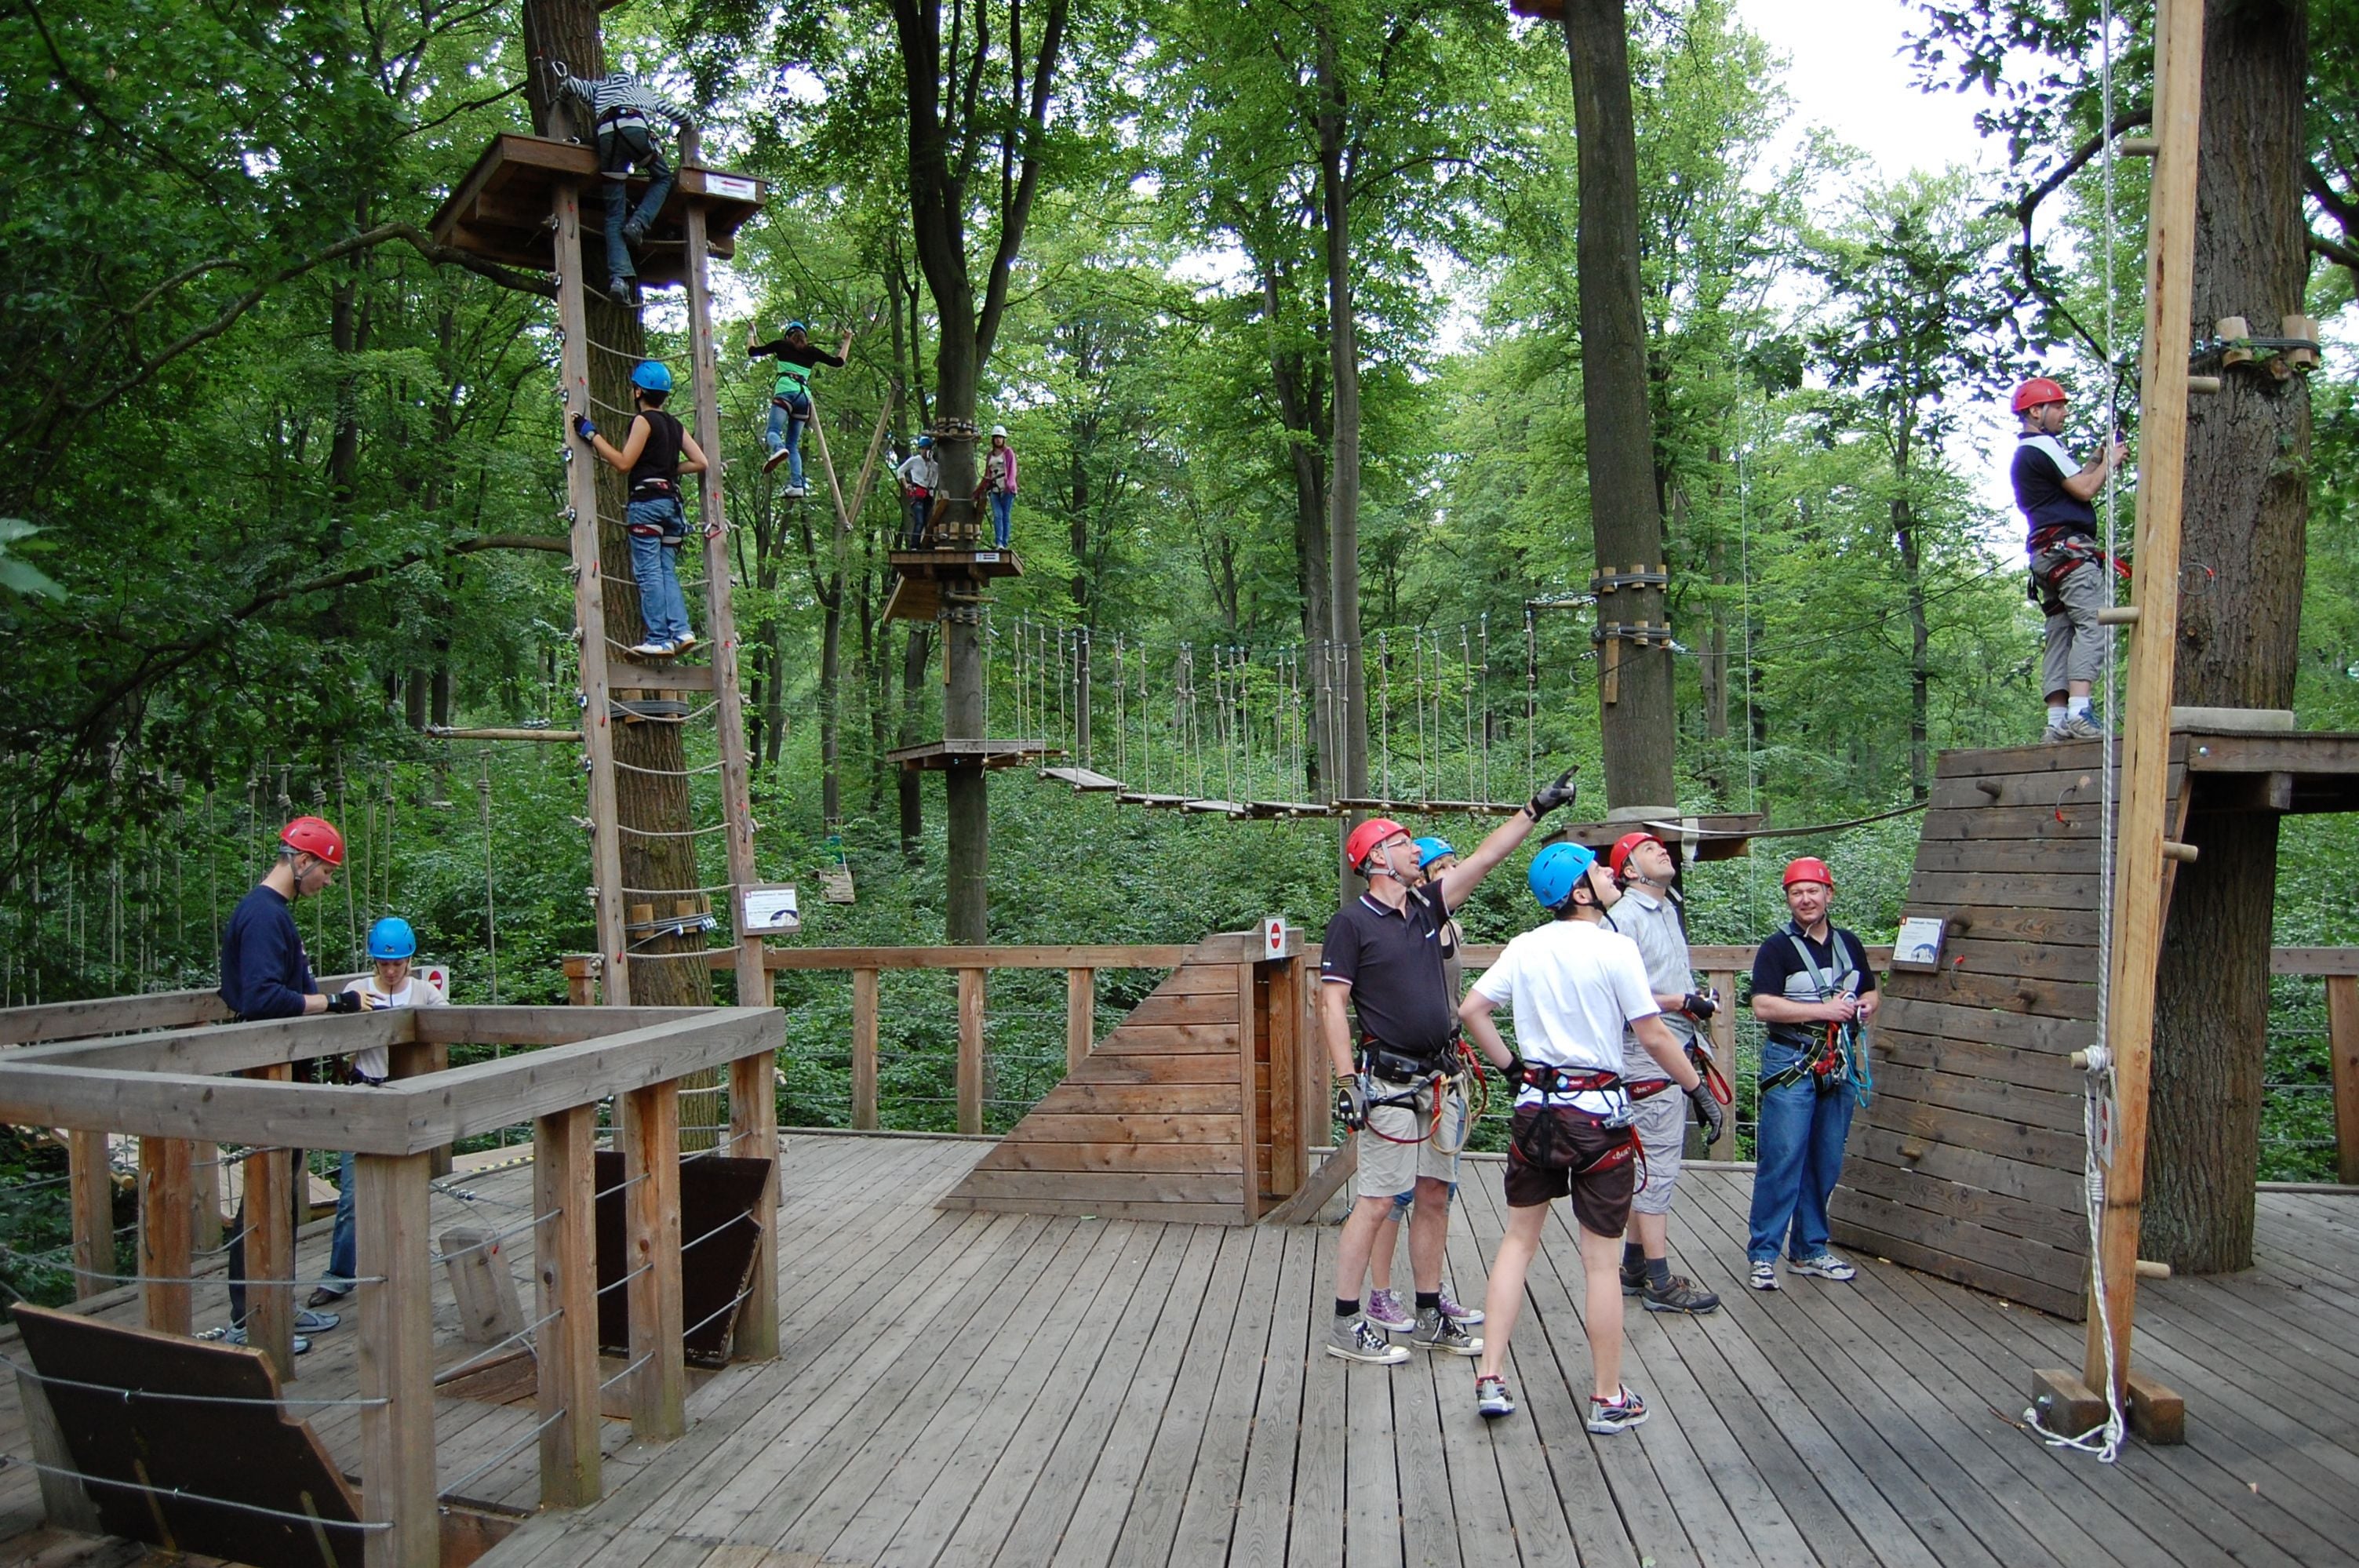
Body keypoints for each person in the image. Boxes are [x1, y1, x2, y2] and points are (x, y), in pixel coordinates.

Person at [1320, 766, 1580, 1366]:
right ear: (1376, 859)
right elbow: (1331, 1000)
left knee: (1434, 1194)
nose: (1417, 848)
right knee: (1378, 1200)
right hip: (1387, 1082)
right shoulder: (1352, 923)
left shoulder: (1426, 907)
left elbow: (1484, 860)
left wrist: (1533, 810)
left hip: (1441, 1078)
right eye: (1403, 841)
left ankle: (1431, 1310)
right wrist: (1345, 1081)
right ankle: (1345, 1320)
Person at [1459, 842, 1721, 1429]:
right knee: (1600, 1263)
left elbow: (1471, 1008)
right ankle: (1607, 1398)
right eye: (1597, 871)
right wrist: (1695, 1089)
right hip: (1598, 1117)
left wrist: (1511, 1068)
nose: (1608, 875)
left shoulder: (1525, 947)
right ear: (1579, 892)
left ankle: (1491, 1376)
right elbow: (1653, 1036)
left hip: (1536, 1112)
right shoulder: (1613, 947)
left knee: (1516, 1242)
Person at [217, 817, 360, 1349]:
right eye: (325, 871)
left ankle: (277, 1302)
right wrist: (333, 1001)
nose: (326, 882)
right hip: (266, 1072)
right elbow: (259, 998)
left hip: (283, 1069)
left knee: (279, 1193)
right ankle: (246, 1316)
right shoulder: (261, 915)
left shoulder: (273, 915)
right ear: (302, 862)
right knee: (263, 1192)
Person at [1597, 831, 1724, 1315]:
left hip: (1674, 1043)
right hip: (1647, 1052)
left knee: (1648, 1158)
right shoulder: (1623, 919)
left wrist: (1688, 1004)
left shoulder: (1666, 908)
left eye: (1662, 848)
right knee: (1658, 1162)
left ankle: (1633, 1265)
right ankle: (1660, 1279)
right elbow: (1616, 995)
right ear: (1628, 870)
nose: (1662, 852)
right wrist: (1678, 1002)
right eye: (1648, 850)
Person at [1361, 836, 1481, 1336]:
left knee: (1437, 1190)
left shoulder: (1442, 923)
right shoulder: (1412, 920)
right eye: (1444, 866)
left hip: (1443, 1064)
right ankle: (1380, 1293)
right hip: (1401, 1072)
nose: (1453, 873)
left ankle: (1429, 1293)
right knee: (1394, 1194)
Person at [1744, 856, 1878, 1293]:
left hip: (1836, 1064)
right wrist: (1824, 1010)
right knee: (1782, 1158)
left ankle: (1809, 1249)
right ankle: (1764, 1254)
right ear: (1788, 899)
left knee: (1825, 1160)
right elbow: (1763, 1005)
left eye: (1812, 890)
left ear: (1828, 894)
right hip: (1792, 1062)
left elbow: (1870, 989)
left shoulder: (1849, 944)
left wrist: (1869, 1004)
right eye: (1796, 892)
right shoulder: (1777, 949)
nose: (1805, 899)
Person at [310, 918, 447, 1308]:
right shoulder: (357, 991)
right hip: (364, 1097)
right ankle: (339, 1275)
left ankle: (404, 1270)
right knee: (353, 1195)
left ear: (409, 961)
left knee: (406, 1191)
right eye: (384, 964)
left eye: (398, 964)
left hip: (407, 1100)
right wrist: (350, 1012)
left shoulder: (425, 993)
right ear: (374, 961)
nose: (390, 971)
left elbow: (451, 1023)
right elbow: (327, 1026)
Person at [2010, 376, 2128, 744]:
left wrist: (2097, 458)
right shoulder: (2044, 444)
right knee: (2094, 624)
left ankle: (2058, 719)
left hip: (2047, 557)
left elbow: (2075, 485)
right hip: (2069, 554)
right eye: (2057, 407)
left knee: (2061, 632)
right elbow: (2086, 488)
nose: (2064, 412)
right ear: (2036, 412)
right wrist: (2111, 463)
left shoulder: (2028, 453)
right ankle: (2079, 712)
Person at [574, 360, 707, 658]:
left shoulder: (643, 421)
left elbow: (623, 463)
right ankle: (682, 631)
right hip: (673, 507)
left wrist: (591, 435)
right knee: (665, 571)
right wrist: (669, 468)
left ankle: (659, 638)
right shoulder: (675, 424)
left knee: (649, 573)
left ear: (638, 392)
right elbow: (701, 462)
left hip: (647, 505)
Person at [552, 64, 694, 307]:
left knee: (614, 213)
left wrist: (560, 99)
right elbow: (685, 117)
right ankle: (638, 222)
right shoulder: (641, 92)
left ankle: (619, 280)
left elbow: (570, 85)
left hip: (607, 137)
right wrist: (688, 129)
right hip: (635, 130)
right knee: (662, 178)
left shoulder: (597, 88)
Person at [747, 320, 852, 497]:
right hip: (804, 398)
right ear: (804, 337)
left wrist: (751, 333)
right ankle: (797, 485)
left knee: (773, 431)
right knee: (793, 445)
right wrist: (847, 340)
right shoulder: (812, 352)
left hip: (786, 393)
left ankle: (778, 448)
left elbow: (753, 351)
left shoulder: (781, 345)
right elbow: (839, 362)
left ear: (788, 336)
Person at [975, 425, 1019, 548]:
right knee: (997, 515)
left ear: (1004, 439)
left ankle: (1004, 543)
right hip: (994, 488)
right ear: (993, 439)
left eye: (1001, 438)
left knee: (1005, 515)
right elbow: (987, 475)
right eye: (996, 438)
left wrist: (1010, 484)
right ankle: (998, 542)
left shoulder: (1008, 452)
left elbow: (1012, 470)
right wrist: (978, 491)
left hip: (1007, 488)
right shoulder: (990, 455)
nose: (998, 440)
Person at [895, 435, 938, 548]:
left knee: (927, 521)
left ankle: (926, 544)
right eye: (922, 448)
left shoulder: (934, 465)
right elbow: (900, 471)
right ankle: (914, 545)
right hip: (917, 492)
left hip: (929, 494)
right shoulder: (915, 461)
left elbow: (935, 479)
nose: (925, 451)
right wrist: (906, 485)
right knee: (919, 520)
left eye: (927, 448)